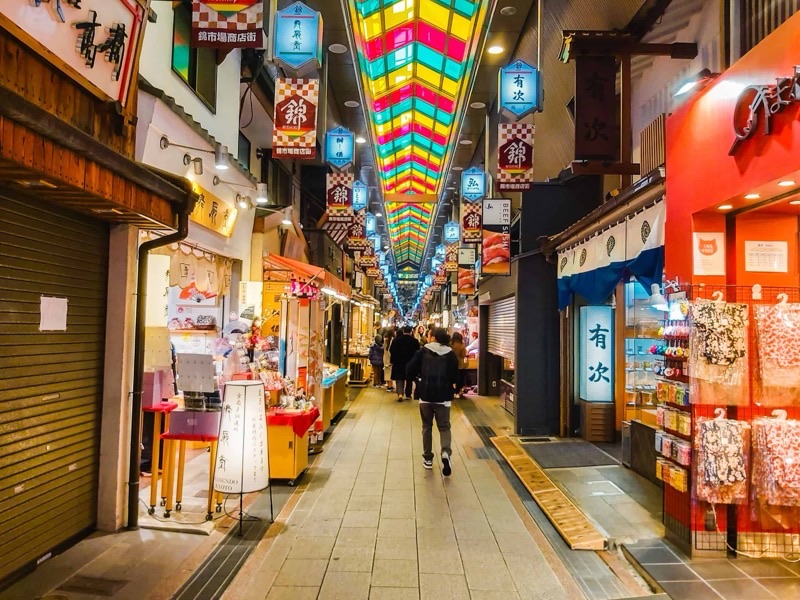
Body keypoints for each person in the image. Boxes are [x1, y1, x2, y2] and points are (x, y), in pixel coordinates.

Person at [406, 327, 460, 475]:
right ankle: (445, 453)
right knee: (444, 427)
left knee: (426, 427)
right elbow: (456, 376)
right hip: (443, 398)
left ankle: (428, 459)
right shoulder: (450, 355)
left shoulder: (422, 352)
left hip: (425, 397)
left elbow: (409, 370)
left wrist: (418, 380)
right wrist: (454, 387)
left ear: (433, 337)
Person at [390, 326, 420, 402]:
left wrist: (393, 360)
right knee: (409, 378)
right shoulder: (414, 341)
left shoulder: (396, 340)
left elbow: (391, 350)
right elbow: (417, 352)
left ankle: (400, 394)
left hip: (398, 362)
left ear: (403, 331)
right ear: (411, 331)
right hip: (410, 363)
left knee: (399, 378)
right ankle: (408, 394)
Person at [450, 331, 468, 398]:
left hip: (451, 363)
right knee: (460, 379)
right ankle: (458, 392)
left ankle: (453, 392)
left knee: (452, 378)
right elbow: (463, 355)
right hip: (460, 364)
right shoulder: (462, 345)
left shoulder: (450, 344)